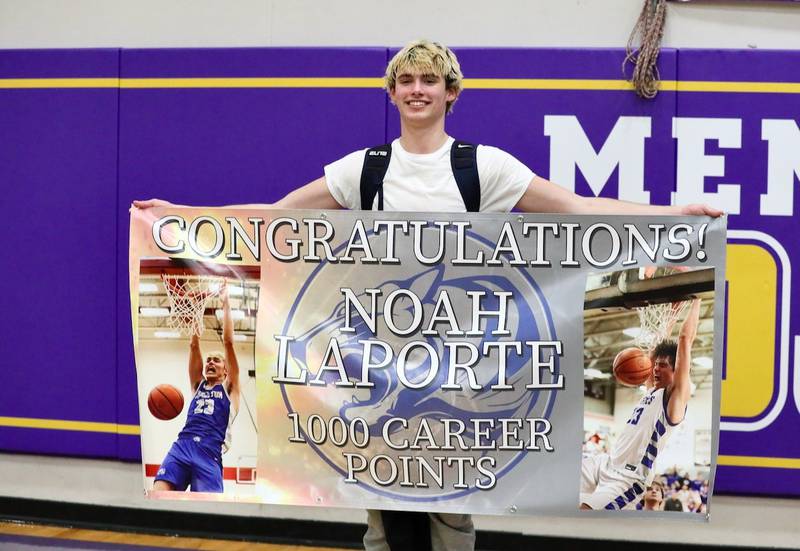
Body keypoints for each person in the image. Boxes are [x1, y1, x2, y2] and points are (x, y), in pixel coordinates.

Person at [135, 39, 721, 550]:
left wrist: (675, 214)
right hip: (378, 361)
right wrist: (178, 218)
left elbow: (577, 210)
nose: (418, 89)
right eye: (407, 80)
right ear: (392, 92)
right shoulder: (363, 170)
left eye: (430, 80)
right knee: (376, 496)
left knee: (452, 505)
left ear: (451, 93)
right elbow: (274, 215)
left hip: (459, 362)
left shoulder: (482, 167)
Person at [580, 298, 701, 511]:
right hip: (605, 463)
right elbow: (655, 351)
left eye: (662, 366)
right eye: (655, 365)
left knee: (585, 513)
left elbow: (685, 340)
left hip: (627, 479)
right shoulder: (651, 389)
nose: (654, 369)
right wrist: (671, 314)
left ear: (675, 372)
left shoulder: (674, 400)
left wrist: (696, 299)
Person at [153, 282, 240, 492]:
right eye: (208, 360)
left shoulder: (230, 390)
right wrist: (196, 310)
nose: (210, 362)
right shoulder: (197, 385)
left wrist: (226, 303)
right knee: (159, 496)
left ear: (226, 371)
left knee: (208, 512)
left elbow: (228, 342)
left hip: (209, 452)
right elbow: (194, 345)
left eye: (216, 361)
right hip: (182, 446)